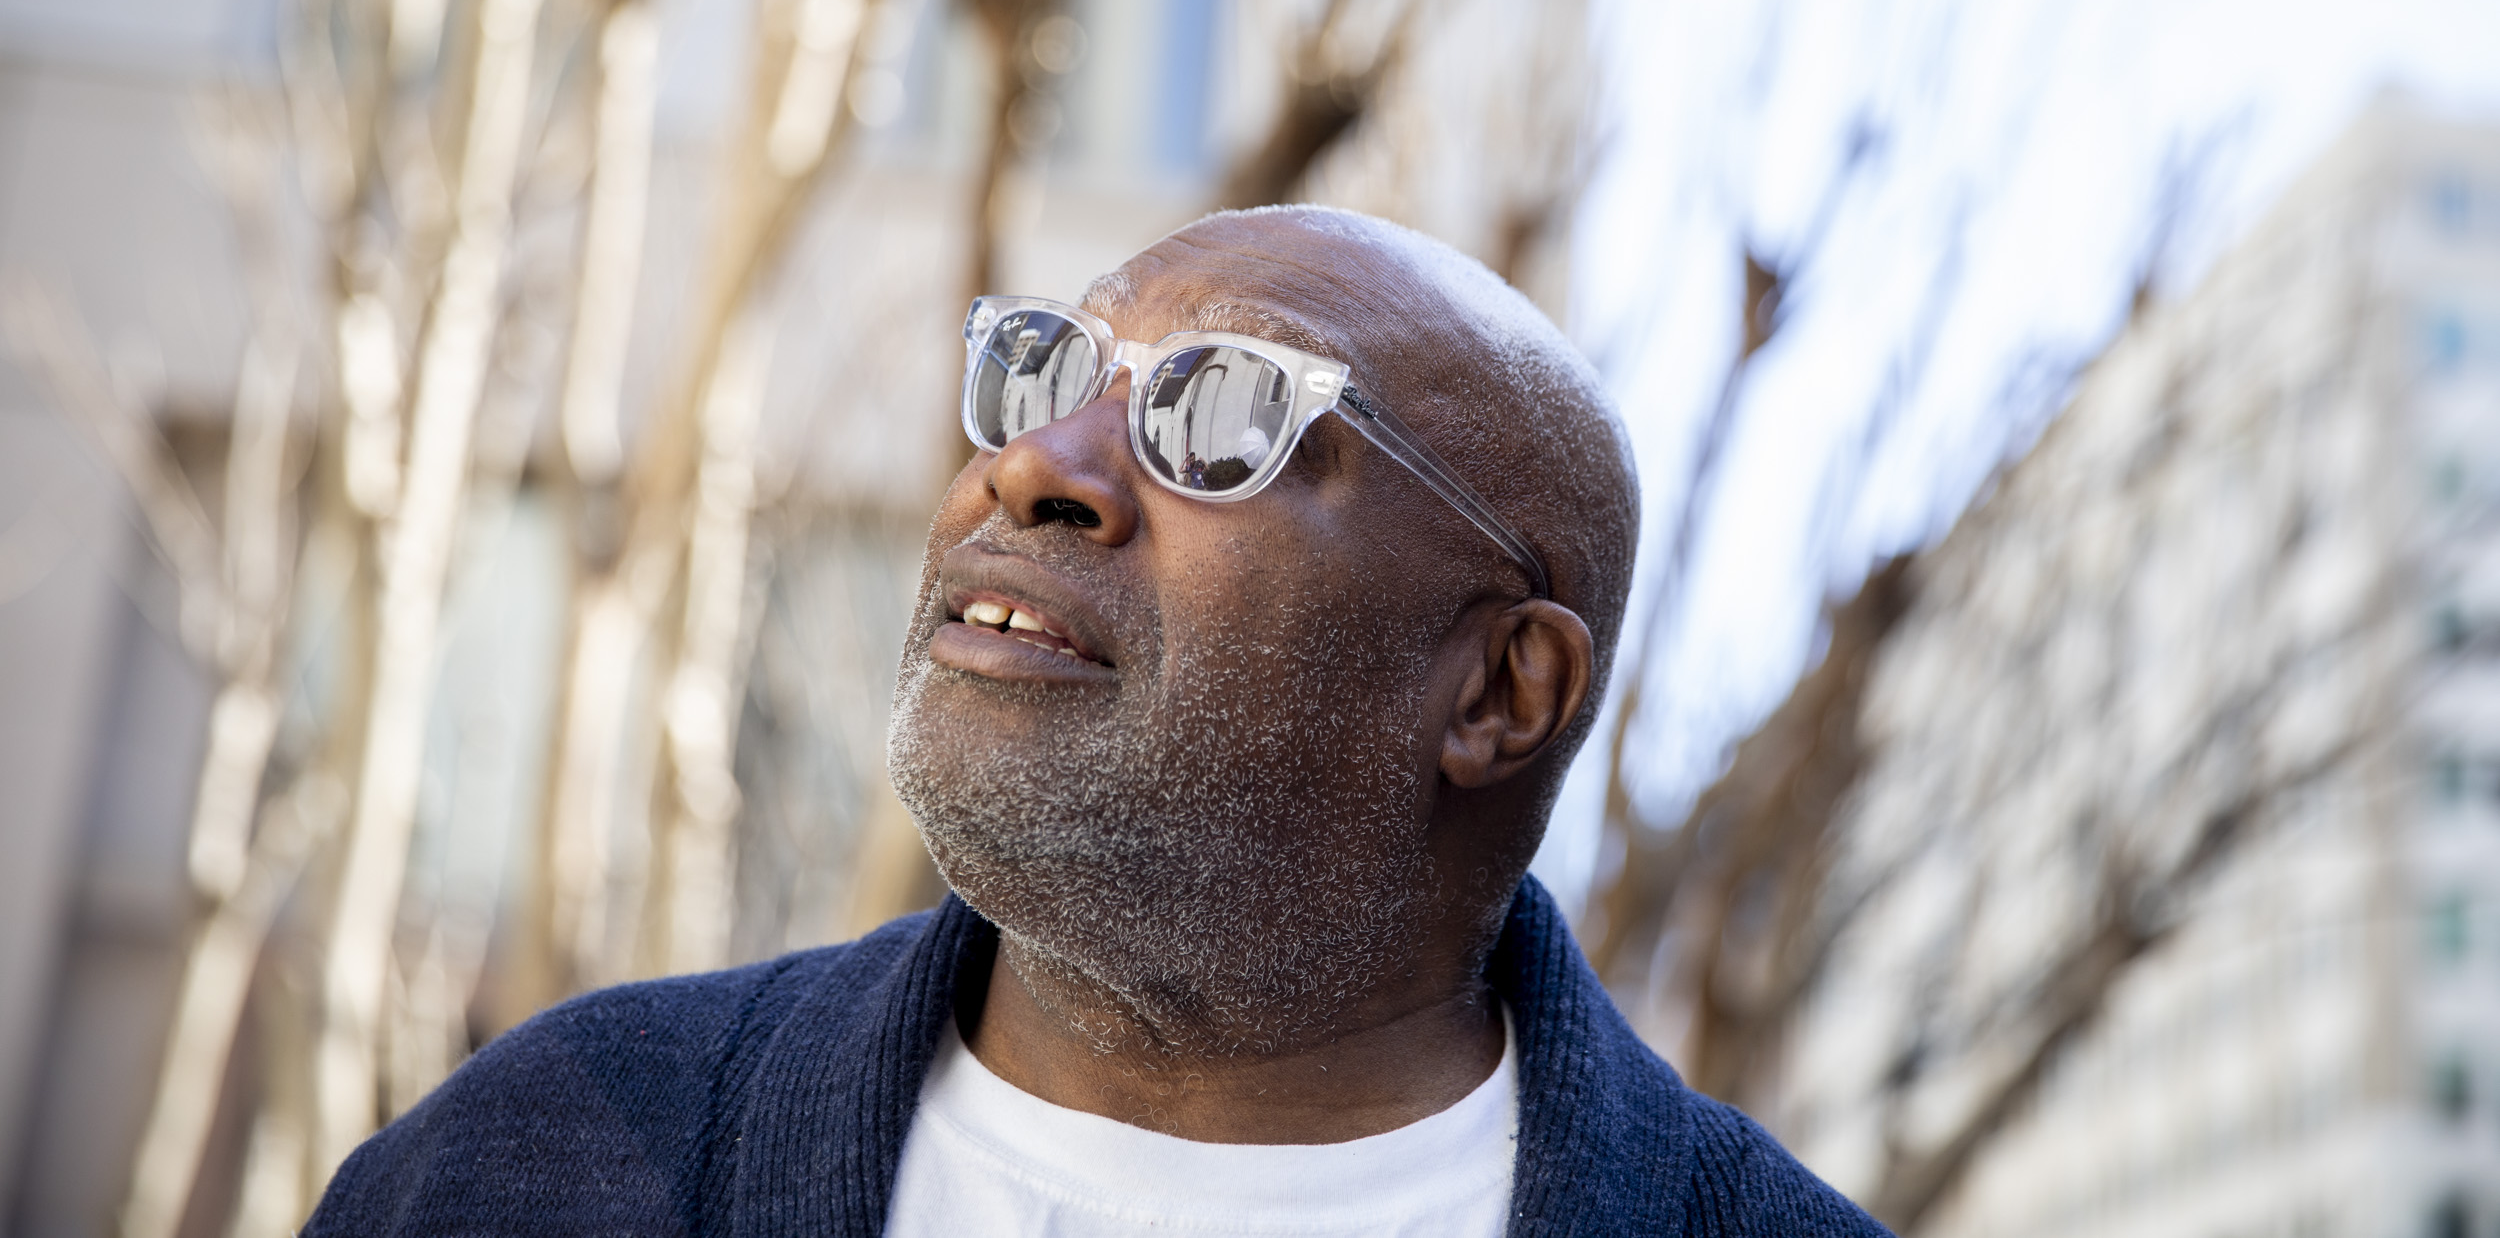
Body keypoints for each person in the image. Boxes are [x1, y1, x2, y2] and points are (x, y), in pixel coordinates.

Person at [306, 206, 1886, 1236]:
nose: (1036, 466)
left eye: (1225, 414)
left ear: (1496, 691)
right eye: (1045, 372)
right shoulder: (538, 1157)